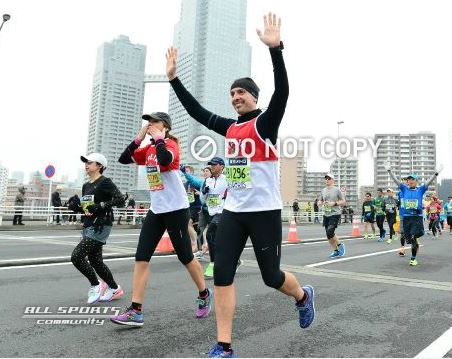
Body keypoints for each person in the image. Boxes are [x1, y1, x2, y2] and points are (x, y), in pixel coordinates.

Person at [166, 12, 315, 357]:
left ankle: (303, 296)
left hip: (263, 212)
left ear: (253, 96)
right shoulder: (230, 129)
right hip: (233, 212)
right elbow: (197, 112)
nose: (235, 97)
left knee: (272, 277)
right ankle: (224, 346)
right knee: (222, 276)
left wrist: (276, 50)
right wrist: (174, 80)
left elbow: (284, 91)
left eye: (241, 92)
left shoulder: (266, 123)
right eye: (232, 93)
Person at [111, 111, 213, 326]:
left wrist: (158, 138)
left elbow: (166, 159)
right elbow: (123, 159)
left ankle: (204, 294)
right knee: (141, 257)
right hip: (157, 210)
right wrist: (139, 138)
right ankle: (136, 310)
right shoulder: (148, 148)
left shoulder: (170, 144)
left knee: (185, 256)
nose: (149, 124)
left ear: (165, 125)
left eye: (153, 121)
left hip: (176, 209)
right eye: (148, 122)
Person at [71, 153, 125, 303]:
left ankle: (96, 284)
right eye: (85, 163)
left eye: (89, 162)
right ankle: (114, 288)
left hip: (101, 225)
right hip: (89, 225)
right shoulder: (86, 186)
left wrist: (100, 205)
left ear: (99, 166)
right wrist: (76, 208)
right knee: (96, 261)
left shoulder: (105, 182)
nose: (86, 165)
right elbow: (88, 209)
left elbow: (120, 198)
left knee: (76, 256)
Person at [387, 163, 441, 266]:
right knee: (408, 239)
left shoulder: (420, 189)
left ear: (416, 181)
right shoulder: (404, 189)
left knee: (413, 237)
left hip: (417, 218)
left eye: (413, 179)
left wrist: (436, 174)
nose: (411, 181)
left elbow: (429, 182)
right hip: (406, 218)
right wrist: (389, 171)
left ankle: (413, 258)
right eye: (409, 179)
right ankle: (414, 248)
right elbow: (396, 181)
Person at [319, 173, 346, 258]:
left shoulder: (337, 190)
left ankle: (340, 245)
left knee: (330, 231)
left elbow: (343, 201)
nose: (327, 180)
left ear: (333, 180)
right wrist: (319, 203)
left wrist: (334, 203)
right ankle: (335, 251)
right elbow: (320, 201)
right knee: (328, 234)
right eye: (326, 179)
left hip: (335, 213)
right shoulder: (323, 190)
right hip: (326, 214)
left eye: (329, 178)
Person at [182, 165, 201, 254]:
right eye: (185, 171)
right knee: (191, 227)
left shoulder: (196, 183)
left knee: (189, 223)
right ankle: (196, 247)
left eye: (188, 171)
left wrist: (199, 193)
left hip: (196, 207)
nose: (186, 173)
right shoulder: (184, 184)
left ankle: (195, 245)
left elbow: (205, 192)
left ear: (192, 173)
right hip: (187, 207)